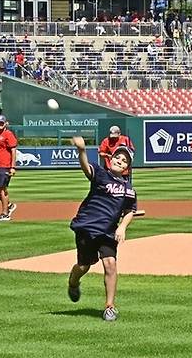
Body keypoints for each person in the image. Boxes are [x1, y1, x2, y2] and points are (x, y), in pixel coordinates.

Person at [67, 136, 137, 322]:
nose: (119, 161)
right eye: (117, 157)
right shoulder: (99, 173)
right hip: (87, 228)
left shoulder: (129, 189)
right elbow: (85, 167)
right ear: (111, 158)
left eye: (124, 161)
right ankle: (73, 282)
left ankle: (109, 306)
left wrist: (122, 226)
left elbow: (130, 210)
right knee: (84, 266)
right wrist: (82, 150)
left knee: (110, 264)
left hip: (108, 232)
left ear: (126, 168)